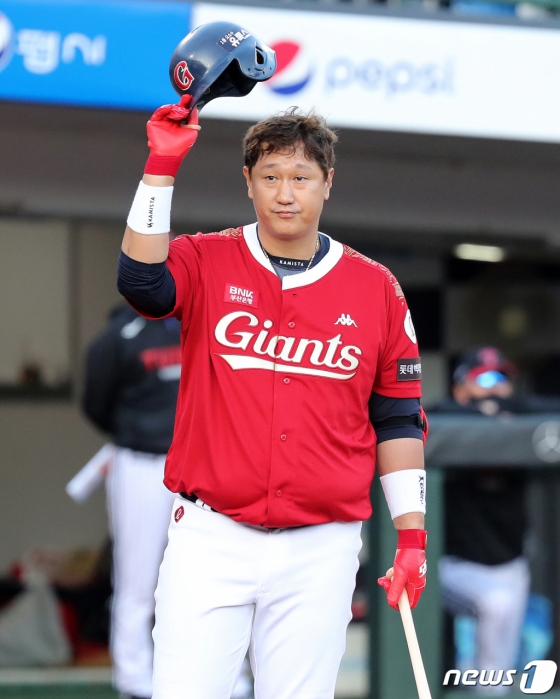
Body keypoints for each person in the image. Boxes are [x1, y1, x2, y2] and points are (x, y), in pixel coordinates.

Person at [116, 98, 428, 699]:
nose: (286, 194)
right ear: (249, 182)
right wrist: (161, 166)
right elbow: (142, 283)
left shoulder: (377, 288)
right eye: (271, 177)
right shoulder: (207, 257)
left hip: (322, 545)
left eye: (301, 178)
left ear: (328, 183)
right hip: (210, 535)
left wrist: (411, 537)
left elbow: (397, 418)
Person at [83, 305, 253, 699]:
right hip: (141, 461)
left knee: (223, 572)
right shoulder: (119, 334)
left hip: (206, 459)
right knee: (137, 576)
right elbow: (96, 403)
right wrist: (140, 431)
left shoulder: (212, 319)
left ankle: (233, 679)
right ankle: (134, 680)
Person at [432, 346, 560, 694]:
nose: (496, 387)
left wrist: (504, 414)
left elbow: (544, 409)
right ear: (461, 389)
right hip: (449, 567)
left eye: (502, 378)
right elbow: (425, 414)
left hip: (508, 566)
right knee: (493, 608)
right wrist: (482, 417)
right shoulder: (448, 418)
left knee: (496, 671)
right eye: (485, 379)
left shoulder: (517, 417)